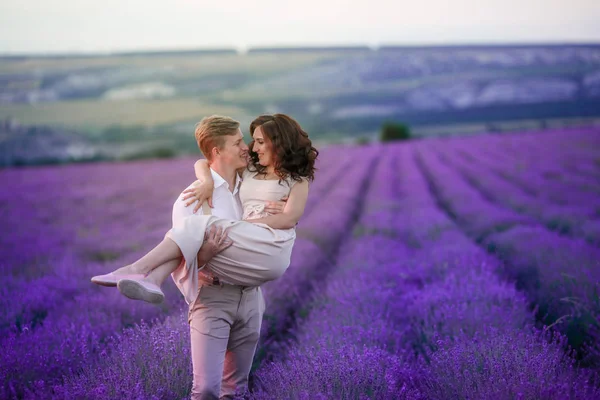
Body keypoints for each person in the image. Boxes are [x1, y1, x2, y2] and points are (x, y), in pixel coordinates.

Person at [91, 114, 317, 398]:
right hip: (213, 299)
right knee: (207, 390)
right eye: (239, 143)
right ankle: (142, 272)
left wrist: (274, 218)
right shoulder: (193, 196)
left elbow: (287, 215)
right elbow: (200, 166)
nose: (247, 147)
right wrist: (205, 253)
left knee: (235, 389)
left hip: (250, 297)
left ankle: (144, 272)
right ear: (217, 151)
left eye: (252, 141)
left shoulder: (247, 179)